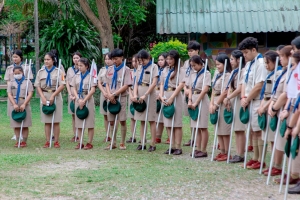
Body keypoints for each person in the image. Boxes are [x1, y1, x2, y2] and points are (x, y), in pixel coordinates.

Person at [239, 37, 268, 169]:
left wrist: (248, 99)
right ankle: (255, 157)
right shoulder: (248, 64)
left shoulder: (261, 63)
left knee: (258, 131)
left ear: (254, 50)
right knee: (252, 130)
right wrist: (243, 98)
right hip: (248, 100)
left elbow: (259, 85)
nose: (244, 55)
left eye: (246, 52)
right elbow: (244, 82)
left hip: (257, 100)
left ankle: (261, 159)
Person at [267, 45, 293, 176]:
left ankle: (291, 172)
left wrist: (274, 107)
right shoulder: (282, 71)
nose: (280, 59)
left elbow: (285, 94)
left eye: (283, 56)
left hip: (285, 108)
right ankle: (278, 166)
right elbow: (275, 91)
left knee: (285, 140)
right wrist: (272, 105)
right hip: (277, 107)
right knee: (278, 139)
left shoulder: (291, 72)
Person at [256, 51, 282, 170]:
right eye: (265, 63)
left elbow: (274, 94)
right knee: (269, 138)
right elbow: (264, 94)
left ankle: (277, 164)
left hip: (272, 107)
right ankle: (272, 163)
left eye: (268, 62)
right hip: (266, 105)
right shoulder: (269, 74)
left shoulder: (278, 74)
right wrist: (261, 106)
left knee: (274, 139)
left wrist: (265, 107)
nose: (266, 65)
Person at [34, 52, 65, 148]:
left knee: (56, 120)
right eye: (45, 60)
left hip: (56, 96)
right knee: (46, 120)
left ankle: (56, 141)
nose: (46, 61)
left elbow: (62, 85)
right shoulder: (40, 72)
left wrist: (53, 96)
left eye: (48, 59)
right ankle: (47, 141)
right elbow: (37, 86)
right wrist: (42, 97)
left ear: (53, 60)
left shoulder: (59, 71)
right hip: (44, 95)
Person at [222, 50, 246, 163]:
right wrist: (227, 99)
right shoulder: (233, 72)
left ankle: (241, 154)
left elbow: (239, 88)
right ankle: (237, 152)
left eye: (232, 59)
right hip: (232, 99)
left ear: (238, 60)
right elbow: (229, 87)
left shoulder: (243, 71)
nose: (230, 61)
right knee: (236, 129)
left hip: (238, 99)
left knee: (240, 128)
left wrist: (228, 97)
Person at [105, 48, 132, 150]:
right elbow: (107, 83)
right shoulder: (110, 69)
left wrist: (115, 94)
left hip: (121, 97)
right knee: (111, 121)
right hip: (111, 98)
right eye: (113, 59)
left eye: (116, 59)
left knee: (122, 120)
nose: (114, 61)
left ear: (122, 58)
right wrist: (109, 94)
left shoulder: (126, 70)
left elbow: (126, 85)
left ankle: (122, 142)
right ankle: (113, 142)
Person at [159, 50, 185, 155]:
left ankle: (178, 146)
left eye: (171, 59)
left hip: (175, 96)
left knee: (177, 123)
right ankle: (172, 145)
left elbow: (181, 85)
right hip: (165, 95)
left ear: (176, 59)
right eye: (168, 59)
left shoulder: (180, 70)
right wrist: (161, 95)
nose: (169, 61)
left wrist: (172, 98)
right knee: (168, 122)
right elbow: (161, 83)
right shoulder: (165, 70)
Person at [133, 50, 158, 151]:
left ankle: (153, 143)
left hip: (149, 94)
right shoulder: (139, 67)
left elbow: (154, 82)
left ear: (148, 58)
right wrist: (135, 94)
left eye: (143, 60)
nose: (141, 62)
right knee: (141, 119)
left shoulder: (154, 67)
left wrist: (146, 94)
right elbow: (136, 82)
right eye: (140, 60)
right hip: (139, 92)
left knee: (151, 119)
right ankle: (142, 142)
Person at [4, 50, 33, 140]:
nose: (15, 59)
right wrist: (11, 89)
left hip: (23, 93)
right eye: (13, 57)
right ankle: (16, 134)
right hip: (13, 93)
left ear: (21, 57)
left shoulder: (26, 67)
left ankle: (23, 136)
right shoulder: (9, 68)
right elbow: (8, 80)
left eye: (16, 57)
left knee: (24, 114)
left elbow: (29, 80)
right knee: (14, 114)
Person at [187, 55, 211, 158]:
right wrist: (190, 100)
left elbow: (205, 89)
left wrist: (196, 102)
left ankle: (203, 150)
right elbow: (190, 88)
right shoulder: (193, 74)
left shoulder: (206, 74)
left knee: (202, 126)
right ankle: (197, 148)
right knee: (195, 126)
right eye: (192, 66)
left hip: (202, 99)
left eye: (195, 65)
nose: (193, 68)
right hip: (193, 98)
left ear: (201, 64)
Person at [71, 58, 96, 150]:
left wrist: (84, 100)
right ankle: (80, 141)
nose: (79, 67)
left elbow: (93, 90)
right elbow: (73, 88)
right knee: (79, 122)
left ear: (87, 66)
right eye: (78, 65)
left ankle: (89, 142)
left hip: (88, 99)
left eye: (81, 65)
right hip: (79, 99)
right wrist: (78, 99)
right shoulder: (76, 76)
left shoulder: (91, 76)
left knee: (89, 122)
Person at [210, 53, 231, 161]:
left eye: (219, 64)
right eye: (216, 64)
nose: (217, 66)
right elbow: (213, 90)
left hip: (223, 103)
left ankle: (227, 152)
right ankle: (221, 150)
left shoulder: (227, 75)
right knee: (218, 128)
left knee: (224, 129)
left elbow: (224, 92)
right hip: (215, 102)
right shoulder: (216, 74)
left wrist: (216, 104)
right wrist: (211, 103)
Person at [7, 66, 33, 147]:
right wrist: (14, 104)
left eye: (18, 73)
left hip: (24, 102)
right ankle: (18, 141)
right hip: (14, 103)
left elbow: (30, 93)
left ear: (22, 73)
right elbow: (9, 94)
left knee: (25, 124)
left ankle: (24, 141)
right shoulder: (11, 82)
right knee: (16, 124)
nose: (17, 75)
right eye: (15, 73)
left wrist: (24, 104)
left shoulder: (27, 81)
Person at [183, 41, 201, 147]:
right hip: (187, 92)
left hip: (196, 93)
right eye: (188, 51)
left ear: (197, 50)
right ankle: (192, 138)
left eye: (192, 51)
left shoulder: (201, 62)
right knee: (190, 116)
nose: (190, 53)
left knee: (197, 116)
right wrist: (185, 88)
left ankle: (198, 139)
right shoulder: (186, 63)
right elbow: (185, 77)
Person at [98, 53, 114, 142]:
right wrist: (104, 92)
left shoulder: (115, 69)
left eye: (109, 59)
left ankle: (113, 134)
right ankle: (107, 134)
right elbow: (99, 82)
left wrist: (110, 93)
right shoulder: (102, 70)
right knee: (105, 115)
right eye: (106, 59)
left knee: (112, 114)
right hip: (104, 93)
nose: (107, 61)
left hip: (112, 92)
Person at [66, 51, 82, 142]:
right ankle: (75, 134)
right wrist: (69, 94)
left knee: (79, 114)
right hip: (71, 95)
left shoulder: (82, 69)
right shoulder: (69, 69)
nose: (76, 60)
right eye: (74, 58)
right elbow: (67, 82)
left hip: (79, 95)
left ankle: (80, 134)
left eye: (77, 58)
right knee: (73, 115)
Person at [155, 53, 169, 144]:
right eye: (159, 60)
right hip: (156, 93)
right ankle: (158, 136)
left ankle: (169, 136)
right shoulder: (156, 70)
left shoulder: (167, 70)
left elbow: (164, 84)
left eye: (162, 60)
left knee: (166, 116)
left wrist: (161, 95)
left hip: (164, 93)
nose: (160, 62)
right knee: (157, 117)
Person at [126, 54, 138, 143]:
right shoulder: (130, 72)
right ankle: (132, 135)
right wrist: (130, 95)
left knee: (140, 117)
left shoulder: (142, 71)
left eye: (136, 61)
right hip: (131, 96)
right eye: (133, 61)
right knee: (132, 117)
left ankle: (142, 137)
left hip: (139, 96)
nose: (134, 63)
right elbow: (129, 85)